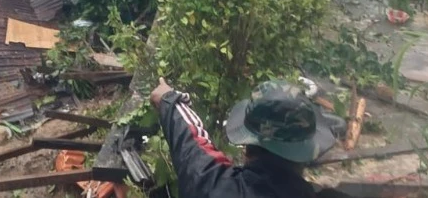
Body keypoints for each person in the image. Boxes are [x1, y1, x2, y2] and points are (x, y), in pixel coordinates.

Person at [150, 77, 351, 198]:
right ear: (307, 152)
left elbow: (191, 143)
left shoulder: (213, 186)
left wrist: (170, 100)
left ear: (248, 145)